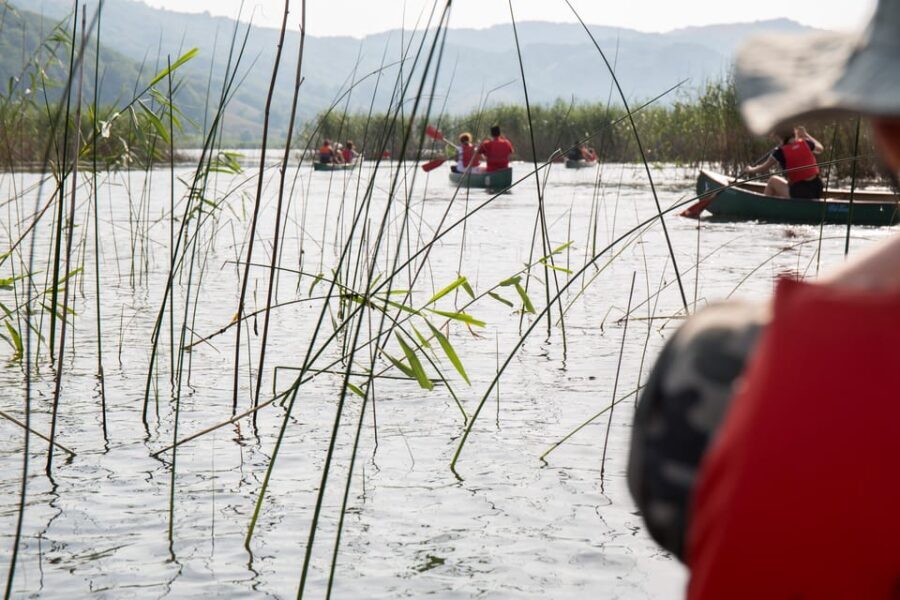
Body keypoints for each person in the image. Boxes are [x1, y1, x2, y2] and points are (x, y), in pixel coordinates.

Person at [628, 0, 900, 597]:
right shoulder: (806, 145)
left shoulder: (718, 360)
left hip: (797, 197)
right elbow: (816, 153)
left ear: (886, 128)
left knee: (776, 187)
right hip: (817, 189)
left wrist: (754, 171)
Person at [743, 126, 824, 198]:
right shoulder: (806, 143)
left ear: (781, 138)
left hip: (800, 193)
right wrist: (806, 135)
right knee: (788, 183)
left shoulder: (779, 152)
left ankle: (764, 207)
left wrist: (750, 169)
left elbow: (763, 168)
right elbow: (820, 148)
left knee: (772, 180)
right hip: (817, 188)